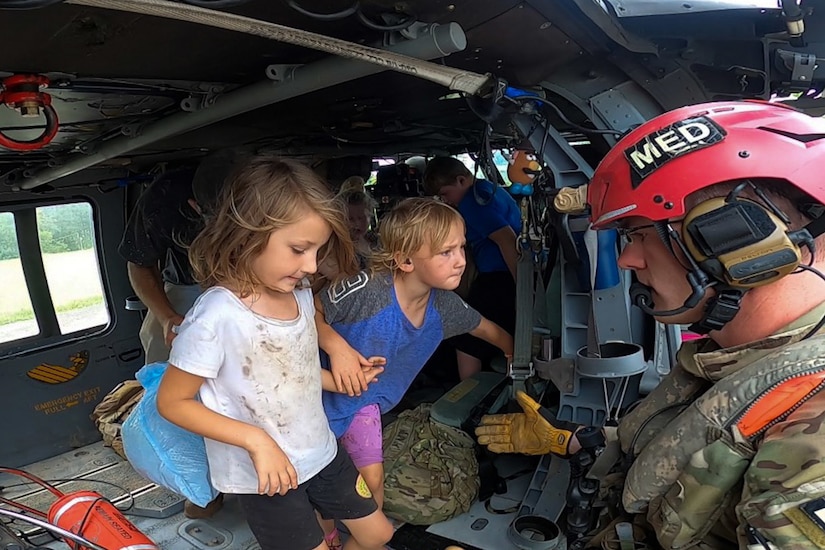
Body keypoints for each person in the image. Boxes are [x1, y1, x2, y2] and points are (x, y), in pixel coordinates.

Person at [475, 101, 825, 549]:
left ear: (734, 240)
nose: (626, 259)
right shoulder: (732, 363)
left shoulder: (809, 435)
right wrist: (570, 442)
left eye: (639, 236)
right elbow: (677, 453)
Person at [155, 154, 394, 550]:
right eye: (299, 249)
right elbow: (172, 402)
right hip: (263, 475)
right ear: (248, 234)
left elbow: (287, 371)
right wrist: (257, 441)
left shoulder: (300, 297)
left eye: (317, 251)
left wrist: (340, 379)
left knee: (379, 534)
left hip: (321, 451)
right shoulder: (216, 316)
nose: (312, 265)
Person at [316, 197, 513, 549]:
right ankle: (327, 538)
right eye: (445, 252)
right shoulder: (368, 290)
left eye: (461, 247)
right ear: (405, 260)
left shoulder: (445, 306)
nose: (460, 260)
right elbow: (308, 311)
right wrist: (337, 348)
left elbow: (487, 330)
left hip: (362, 407)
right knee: (318, 489)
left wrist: (513, 351)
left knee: (373, 484)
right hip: (313, 400)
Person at [119, 150, 241, 365]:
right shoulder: (163, 200)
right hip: (187, 283)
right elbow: (140, 263)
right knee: (160, 344)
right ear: (195, 206)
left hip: (253, 279)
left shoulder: (272, 192)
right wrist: (166, 317)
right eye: (220, 222)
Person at [423, 157, 520, 379]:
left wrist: (523, 287)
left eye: (446, 194)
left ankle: (466, 393)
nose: (447, 201)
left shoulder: (472, 202)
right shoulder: (487, 189)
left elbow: (506, 239)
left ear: (461, 180)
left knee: (465, 335)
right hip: (502, 275)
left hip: (499, 277)